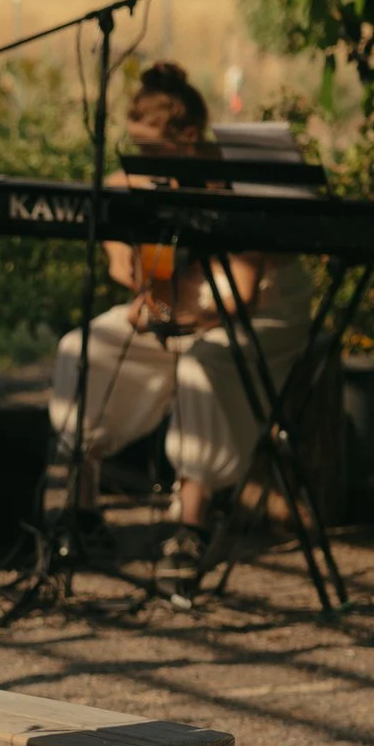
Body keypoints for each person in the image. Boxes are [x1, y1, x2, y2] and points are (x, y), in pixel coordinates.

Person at [47, 61, 310, 601]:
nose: (144, 162)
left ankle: (191, 524)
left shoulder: (237, 178)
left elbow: (239, 290)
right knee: (84, 348)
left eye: (156, 152)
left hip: (256, 308)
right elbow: (118, 202)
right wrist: (125, 248)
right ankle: (84, 508)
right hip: (178, 303)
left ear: (190, 138)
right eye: (137, 150)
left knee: (203, 365)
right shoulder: (146, 173)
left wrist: (178, 317)